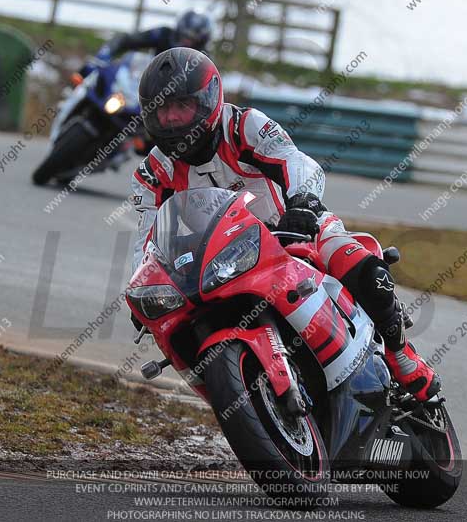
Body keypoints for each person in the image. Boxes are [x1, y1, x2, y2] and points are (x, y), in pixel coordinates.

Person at [129, 48, 440, 402]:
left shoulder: (244, 126)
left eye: (180, 107)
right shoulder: (152, 172)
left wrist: (304, 203)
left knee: (358, 265)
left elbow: (295, 160)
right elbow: (146, 237)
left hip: (293, 229)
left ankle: (401, 355)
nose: (172, 120)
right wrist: (144, 286)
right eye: (163, 111)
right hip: (221, 260)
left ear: (208, 99)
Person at [81, 10, 213, 76]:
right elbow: (126, 39)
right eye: (185, 34)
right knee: (88, 76)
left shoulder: (203, 59)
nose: (186, 40)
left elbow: (206, 87)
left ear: (201, 40)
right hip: (140, 84)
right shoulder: (163, 34)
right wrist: (105, 53)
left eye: (192, 38)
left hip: (168, 103)